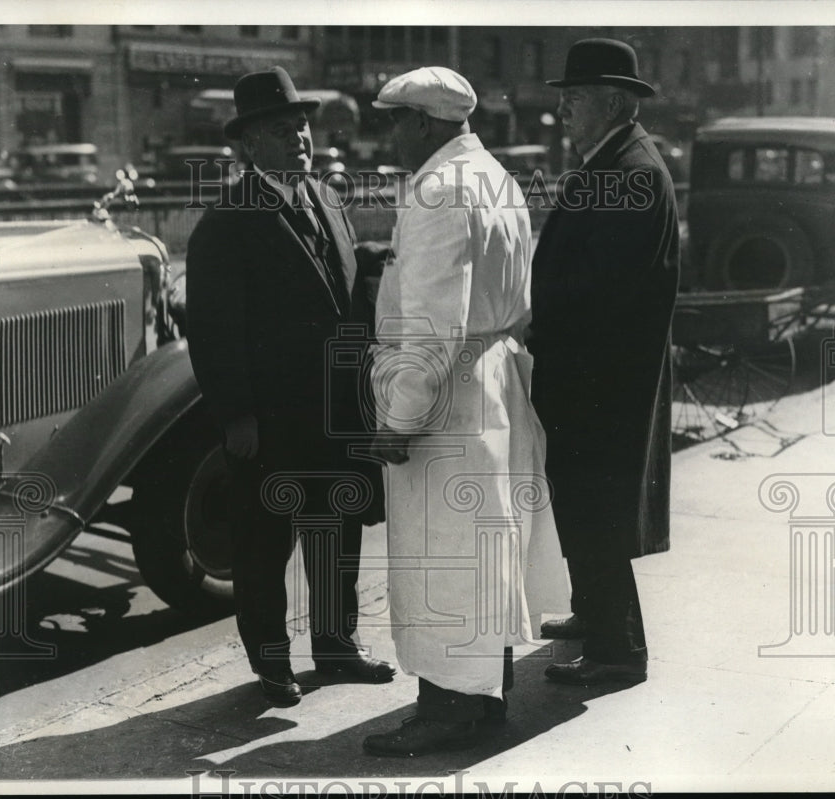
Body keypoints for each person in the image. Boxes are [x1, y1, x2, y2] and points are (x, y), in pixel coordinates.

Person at [362, 66, 568, 757]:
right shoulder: (496, 177)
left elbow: (431, 326)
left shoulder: (438, 192)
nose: (388, 132)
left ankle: (446, 709)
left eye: (395, 119)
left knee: (443, 552)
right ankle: (481, 698)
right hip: (495, 380)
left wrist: (400, 417)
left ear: (423, 122)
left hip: (448, 395)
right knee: (487, 546)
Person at [186, 66, 395, 706]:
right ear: (248, 145)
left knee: (337, 532)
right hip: (272, 420)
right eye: (282, 130)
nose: (300, 138)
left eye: (302, 126)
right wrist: (237, 418)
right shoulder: (226, 222)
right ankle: (271, 664)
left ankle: (337, 645)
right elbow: (213, 332)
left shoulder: (327, 201)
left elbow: (349, 293)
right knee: (265, 545)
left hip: (334, 409)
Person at [530, 39, 680, 684]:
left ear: (615, 102)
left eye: (575, 98)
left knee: (600, 510)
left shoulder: (633, 173)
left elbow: (602, 292)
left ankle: (618, 652)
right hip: (592, 378)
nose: (563, 110)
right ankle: (593, 613)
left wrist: (533, 326)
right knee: (587, 506)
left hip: (601, 384)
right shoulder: (612, 162)